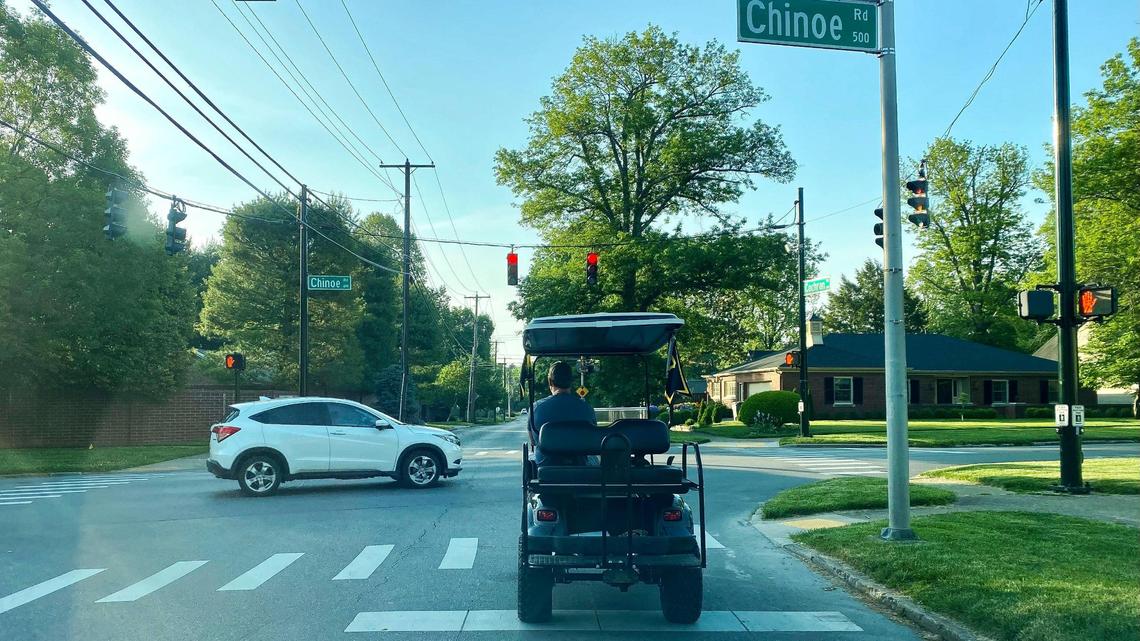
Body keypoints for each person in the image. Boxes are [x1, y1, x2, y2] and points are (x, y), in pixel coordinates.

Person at [528, 361, 596, 466]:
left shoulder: (536, 408)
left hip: (546, 468)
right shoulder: (586, 408)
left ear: (550, 382)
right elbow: (592, 439)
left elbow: (533, 441)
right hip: (580, 466)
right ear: (571, 382)